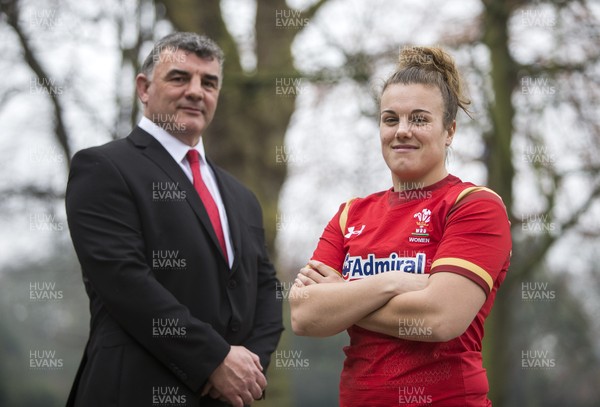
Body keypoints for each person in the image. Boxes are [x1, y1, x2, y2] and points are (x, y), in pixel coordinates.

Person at [65, 32, 283, 407]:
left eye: (209, 82)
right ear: (144, 88)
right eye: (180, 78)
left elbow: (266, 289)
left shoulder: (242, 197)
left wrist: (247, 368)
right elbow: (125, 282)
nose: (197, 91)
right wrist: (214, 359)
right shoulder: (103, 168)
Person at [290, 46, 511, 406]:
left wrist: (345, 295)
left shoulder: (474, 206)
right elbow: (305, 315)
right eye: (390, 119)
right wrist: (390, 282)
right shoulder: (350, 215)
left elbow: (440, 318)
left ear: (449, 131)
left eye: (420, 119)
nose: (402, 131)